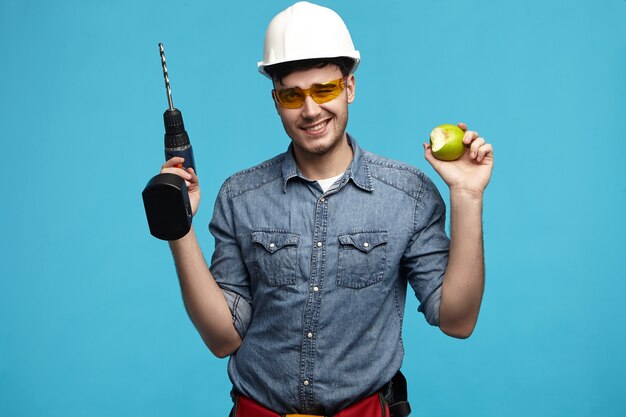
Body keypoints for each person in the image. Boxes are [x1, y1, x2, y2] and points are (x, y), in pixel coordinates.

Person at [159, 2, 494, 416]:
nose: (311, 110)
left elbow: (457, 321)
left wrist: (467, 194)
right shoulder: (239, 196)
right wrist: (179, 227)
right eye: (292, 95)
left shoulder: (408, 195)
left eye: (325, 90)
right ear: (276, 100)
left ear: (349, 87)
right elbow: (223, 339)